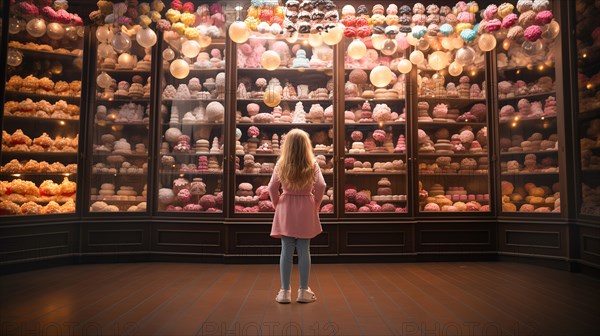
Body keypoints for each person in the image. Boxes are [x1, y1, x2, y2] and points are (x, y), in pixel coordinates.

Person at [268, 129, 326, 304]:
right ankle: (303, 291)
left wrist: (277, 204)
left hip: (286, 206)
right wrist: (316, 204)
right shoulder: (312, 163)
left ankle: (285, 291)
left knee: (286, 250)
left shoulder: (281, 163)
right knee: (304, 250)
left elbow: (271, 187)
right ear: (306, 145)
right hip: (306, 206)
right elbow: (321, 186)